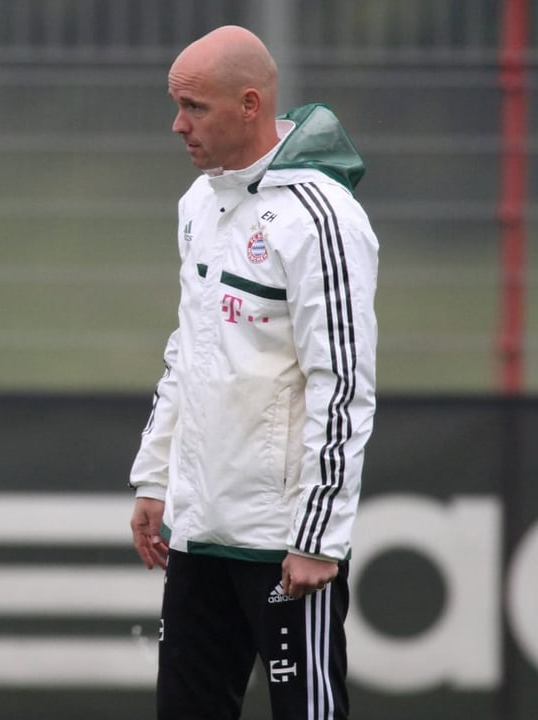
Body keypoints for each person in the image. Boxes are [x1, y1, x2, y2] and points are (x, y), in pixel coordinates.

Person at [128, 25, 378, 720]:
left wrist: (319, 538)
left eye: (194, 107)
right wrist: (157, 477)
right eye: (176, 106)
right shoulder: (198, 204)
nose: (177, 125)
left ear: (248, 104)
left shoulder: (324, 218)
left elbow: (344, 381)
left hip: (284, 540)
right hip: (201, 526)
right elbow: (188, 348)